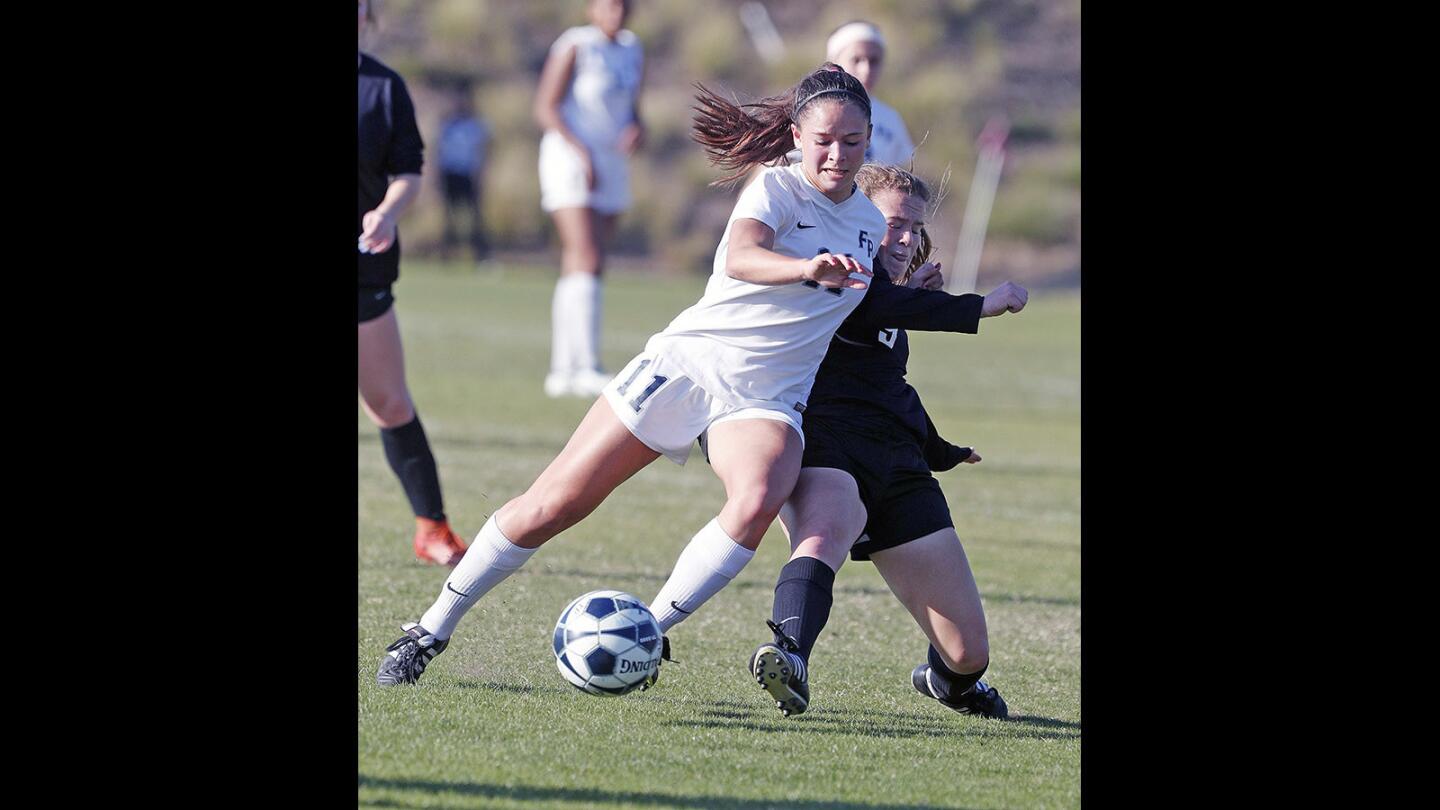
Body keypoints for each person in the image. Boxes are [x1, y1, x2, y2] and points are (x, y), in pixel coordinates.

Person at [375, 61, 1027, 688]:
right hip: (688, 364)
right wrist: (803, 269)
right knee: (553, 505)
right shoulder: (776, 187)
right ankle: (430, 629)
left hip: (767, 396)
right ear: (797, 136)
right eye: (823, 141)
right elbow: (743, 256)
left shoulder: (863, 221)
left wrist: (972, 306)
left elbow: (876, 304)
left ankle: (650, 634)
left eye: (853, 142)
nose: (837, 155)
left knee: (761, 490)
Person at [745, 164, 1027, 720]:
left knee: (969, 653)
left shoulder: (892, 294)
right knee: (826, 530)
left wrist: (940, 449)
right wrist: (978, 305)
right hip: (827, 441)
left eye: (913, 230)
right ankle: (789, 655)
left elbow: (886, 383)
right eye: (892, 224)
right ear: (858, 222)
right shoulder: (834, 270)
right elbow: (870, 303)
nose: (903, 240)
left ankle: (953, 684)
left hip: (896, 461)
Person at [358, 0, 467, 567]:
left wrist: (387, 213)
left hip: (364, 266)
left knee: (388, 401)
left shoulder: (383, 88)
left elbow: (407, 172)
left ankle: (431, 526)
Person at [533, 0, 646, 398]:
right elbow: (545, 108)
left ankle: (562, 369)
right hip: (571, 156)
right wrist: (581, 153)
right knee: (586, 254)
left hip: (611, 161)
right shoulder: (576, 45)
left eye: (622, 6)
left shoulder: (634, 48)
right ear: (591, 9)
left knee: (586, 262)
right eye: (608, 5)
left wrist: (637, 128)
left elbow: (632, 108)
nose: (616, 13)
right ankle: (586, 365)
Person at [826, 21, 915, 165]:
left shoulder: (890, 119)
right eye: (856, 60)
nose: (866, 70)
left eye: (874, 61)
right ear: (834, 62)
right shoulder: (815, 111)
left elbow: (903, 173)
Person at [437, 84, 491, 264]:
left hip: (469, 175)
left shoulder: (476, 124)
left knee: (475, 219)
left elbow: (483, 151)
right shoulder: (447, 123)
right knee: (449, 218)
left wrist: (481, 176)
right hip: (450, 174)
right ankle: (447, 256)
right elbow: (439, 151)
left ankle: (480, 256)